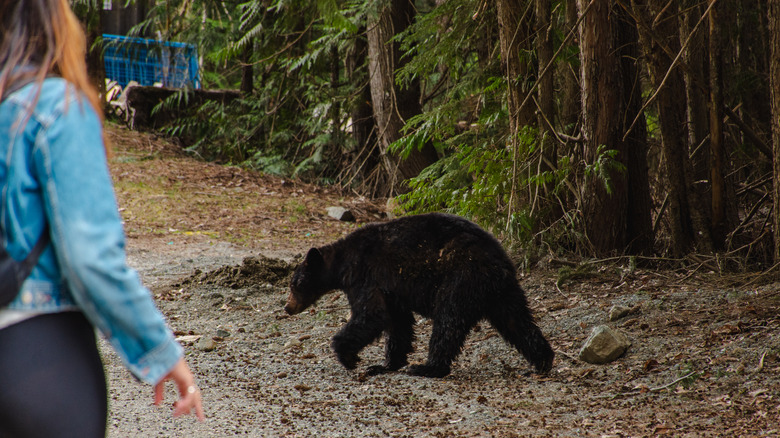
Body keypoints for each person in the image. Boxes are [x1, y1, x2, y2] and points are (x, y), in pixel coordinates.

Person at [0, 0, 205, 436]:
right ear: (55, 20)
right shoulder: (52, 104)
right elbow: (90, 257)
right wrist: (161, 351)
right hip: (39, 360)